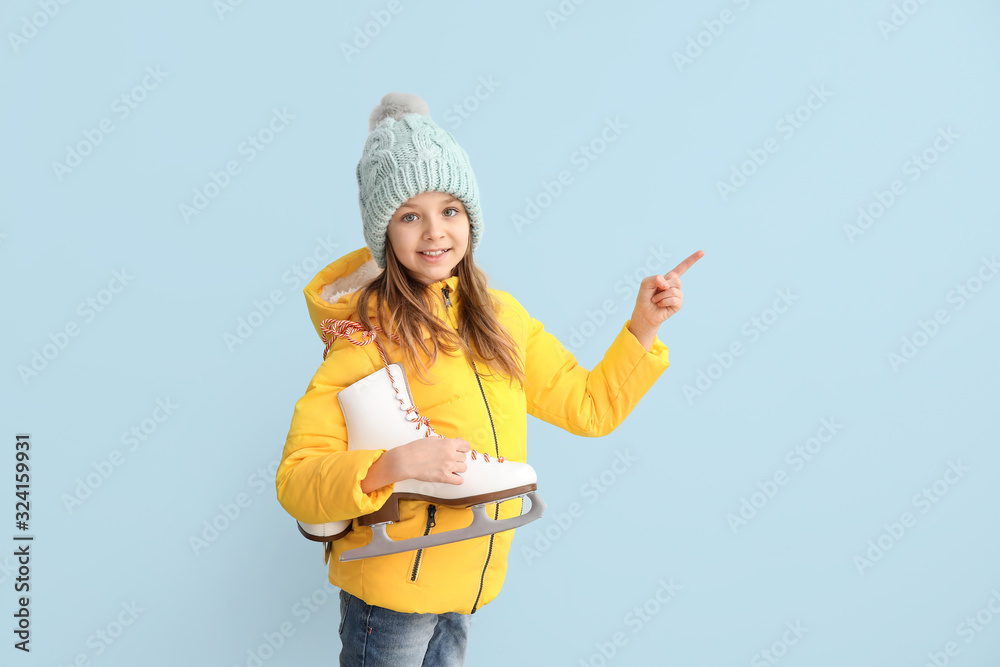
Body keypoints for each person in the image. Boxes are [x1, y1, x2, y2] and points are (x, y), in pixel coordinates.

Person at [275, 92, 703, 666]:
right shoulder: (365, 338)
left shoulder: (501, 318)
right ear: (385, 233)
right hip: (390, 596)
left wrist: (643, 328)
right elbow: (297, 481)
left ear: (470, 218)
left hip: (464, 586)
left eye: (450, 210)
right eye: (409, 215)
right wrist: (393, 465)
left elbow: (589, 408)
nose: (434, 232)